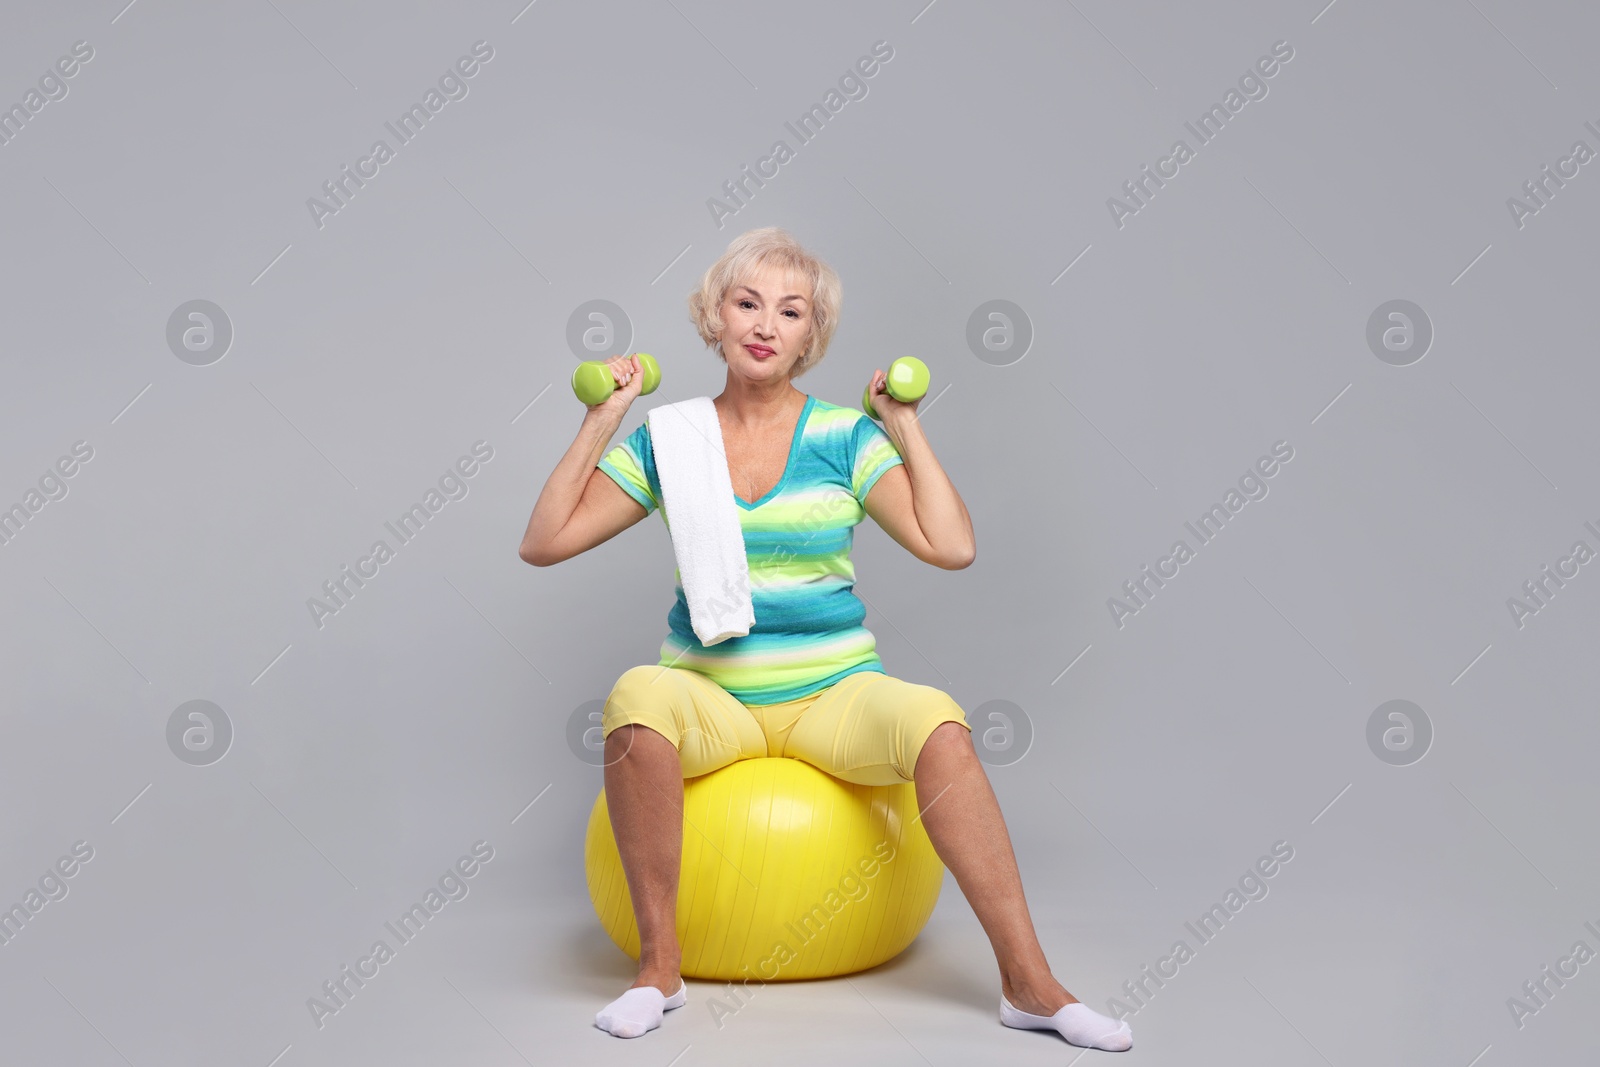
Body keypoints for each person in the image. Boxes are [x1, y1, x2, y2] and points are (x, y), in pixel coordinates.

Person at [518, 227, 1131, 1052]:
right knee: (633, 699)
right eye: (747, 303)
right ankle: (659, 968)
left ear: (812, 335)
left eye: (790, 310)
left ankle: (1031, 984)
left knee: (941, 723)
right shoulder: (673, 438)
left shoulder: (844, 436)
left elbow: (950, 546)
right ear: (715, 316)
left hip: (832, 695)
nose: (766, 323)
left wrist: (903, 425)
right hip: (711, 695)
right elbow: (545, 539)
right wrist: (604, 417)